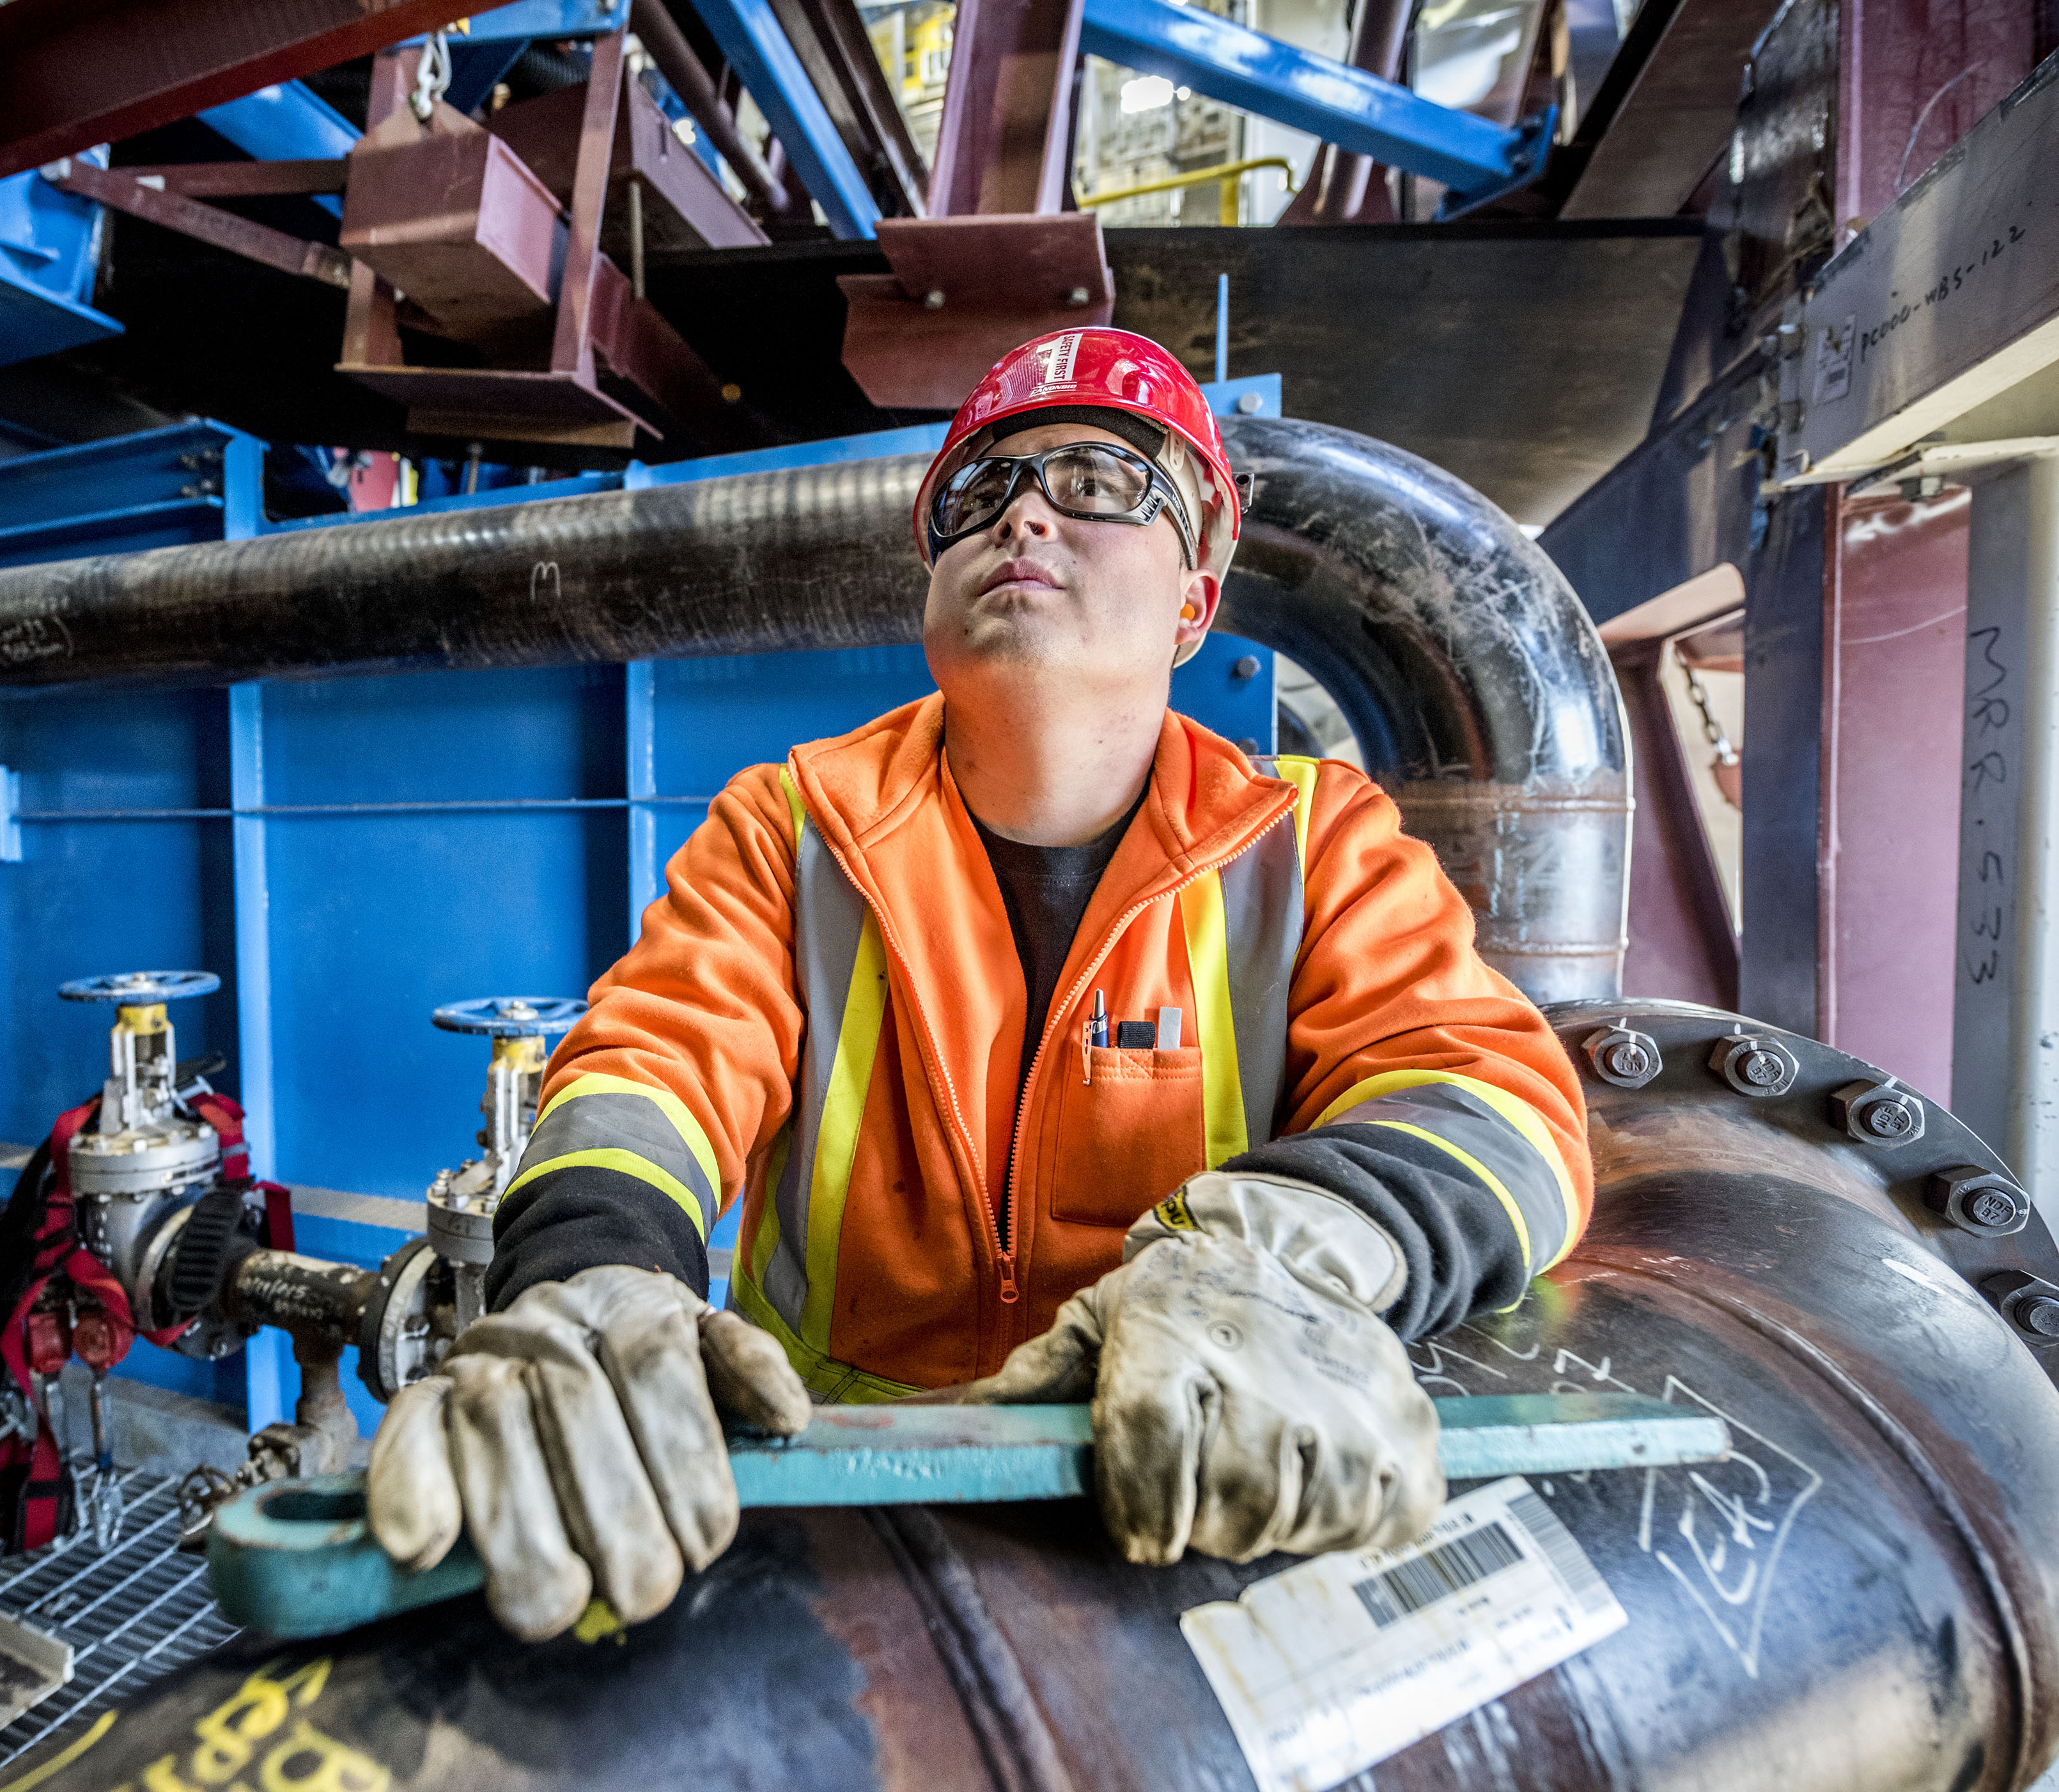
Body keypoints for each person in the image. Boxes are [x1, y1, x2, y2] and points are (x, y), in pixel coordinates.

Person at [367, 327, 1592, 1641]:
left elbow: (1499, 1105)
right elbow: (650, 1067)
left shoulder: (1313, 845)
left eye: (1097, 480)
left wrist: (1266, 1269)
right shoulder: (794, 825)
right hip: (829, 1510)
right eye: (978, 494)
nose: (1021, 513)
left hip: (1175, 1515)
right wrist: (590, 1277)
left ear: (1196, 597)